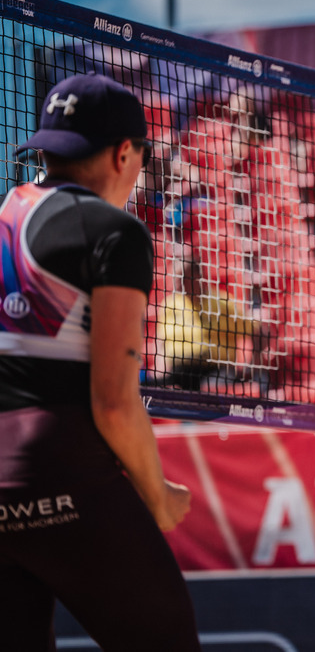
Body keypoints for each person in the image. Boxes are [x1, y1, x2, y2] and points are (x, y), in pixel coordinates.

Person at [0, 73, 200, 649]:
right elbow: (113, 403)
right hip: (57, 465)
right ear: (122, 154)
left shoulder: (7, 209)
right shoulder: (114, 232)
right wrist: (157, 495)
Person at [150, 253, 266, 392]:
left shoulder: (223, 304)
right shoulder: (170, 305)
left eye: (182, 277)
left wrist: (253, 365)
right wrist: (160, 366)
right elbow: (160, 342)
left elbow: (256, 330)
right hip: (178, 371)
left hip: (215, 370)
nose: (178, 282)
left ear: (197, 277)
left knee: (210, 387)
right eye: (175, 278)